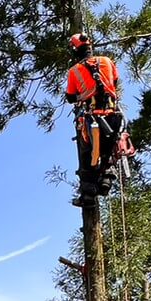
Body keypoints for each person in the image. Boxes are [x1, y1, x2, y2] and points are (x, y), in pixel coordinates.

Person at [65, 33, 130, 206]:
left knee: (87, 155)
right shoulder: (107, 61)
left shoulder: (74, 71)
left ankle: (88, 196)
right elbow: (114, 82)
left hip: (92, 118)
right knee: (108, 149)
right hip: (113, 115)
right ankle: (106, 180)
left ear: (74, 50)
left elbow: (70, 97)